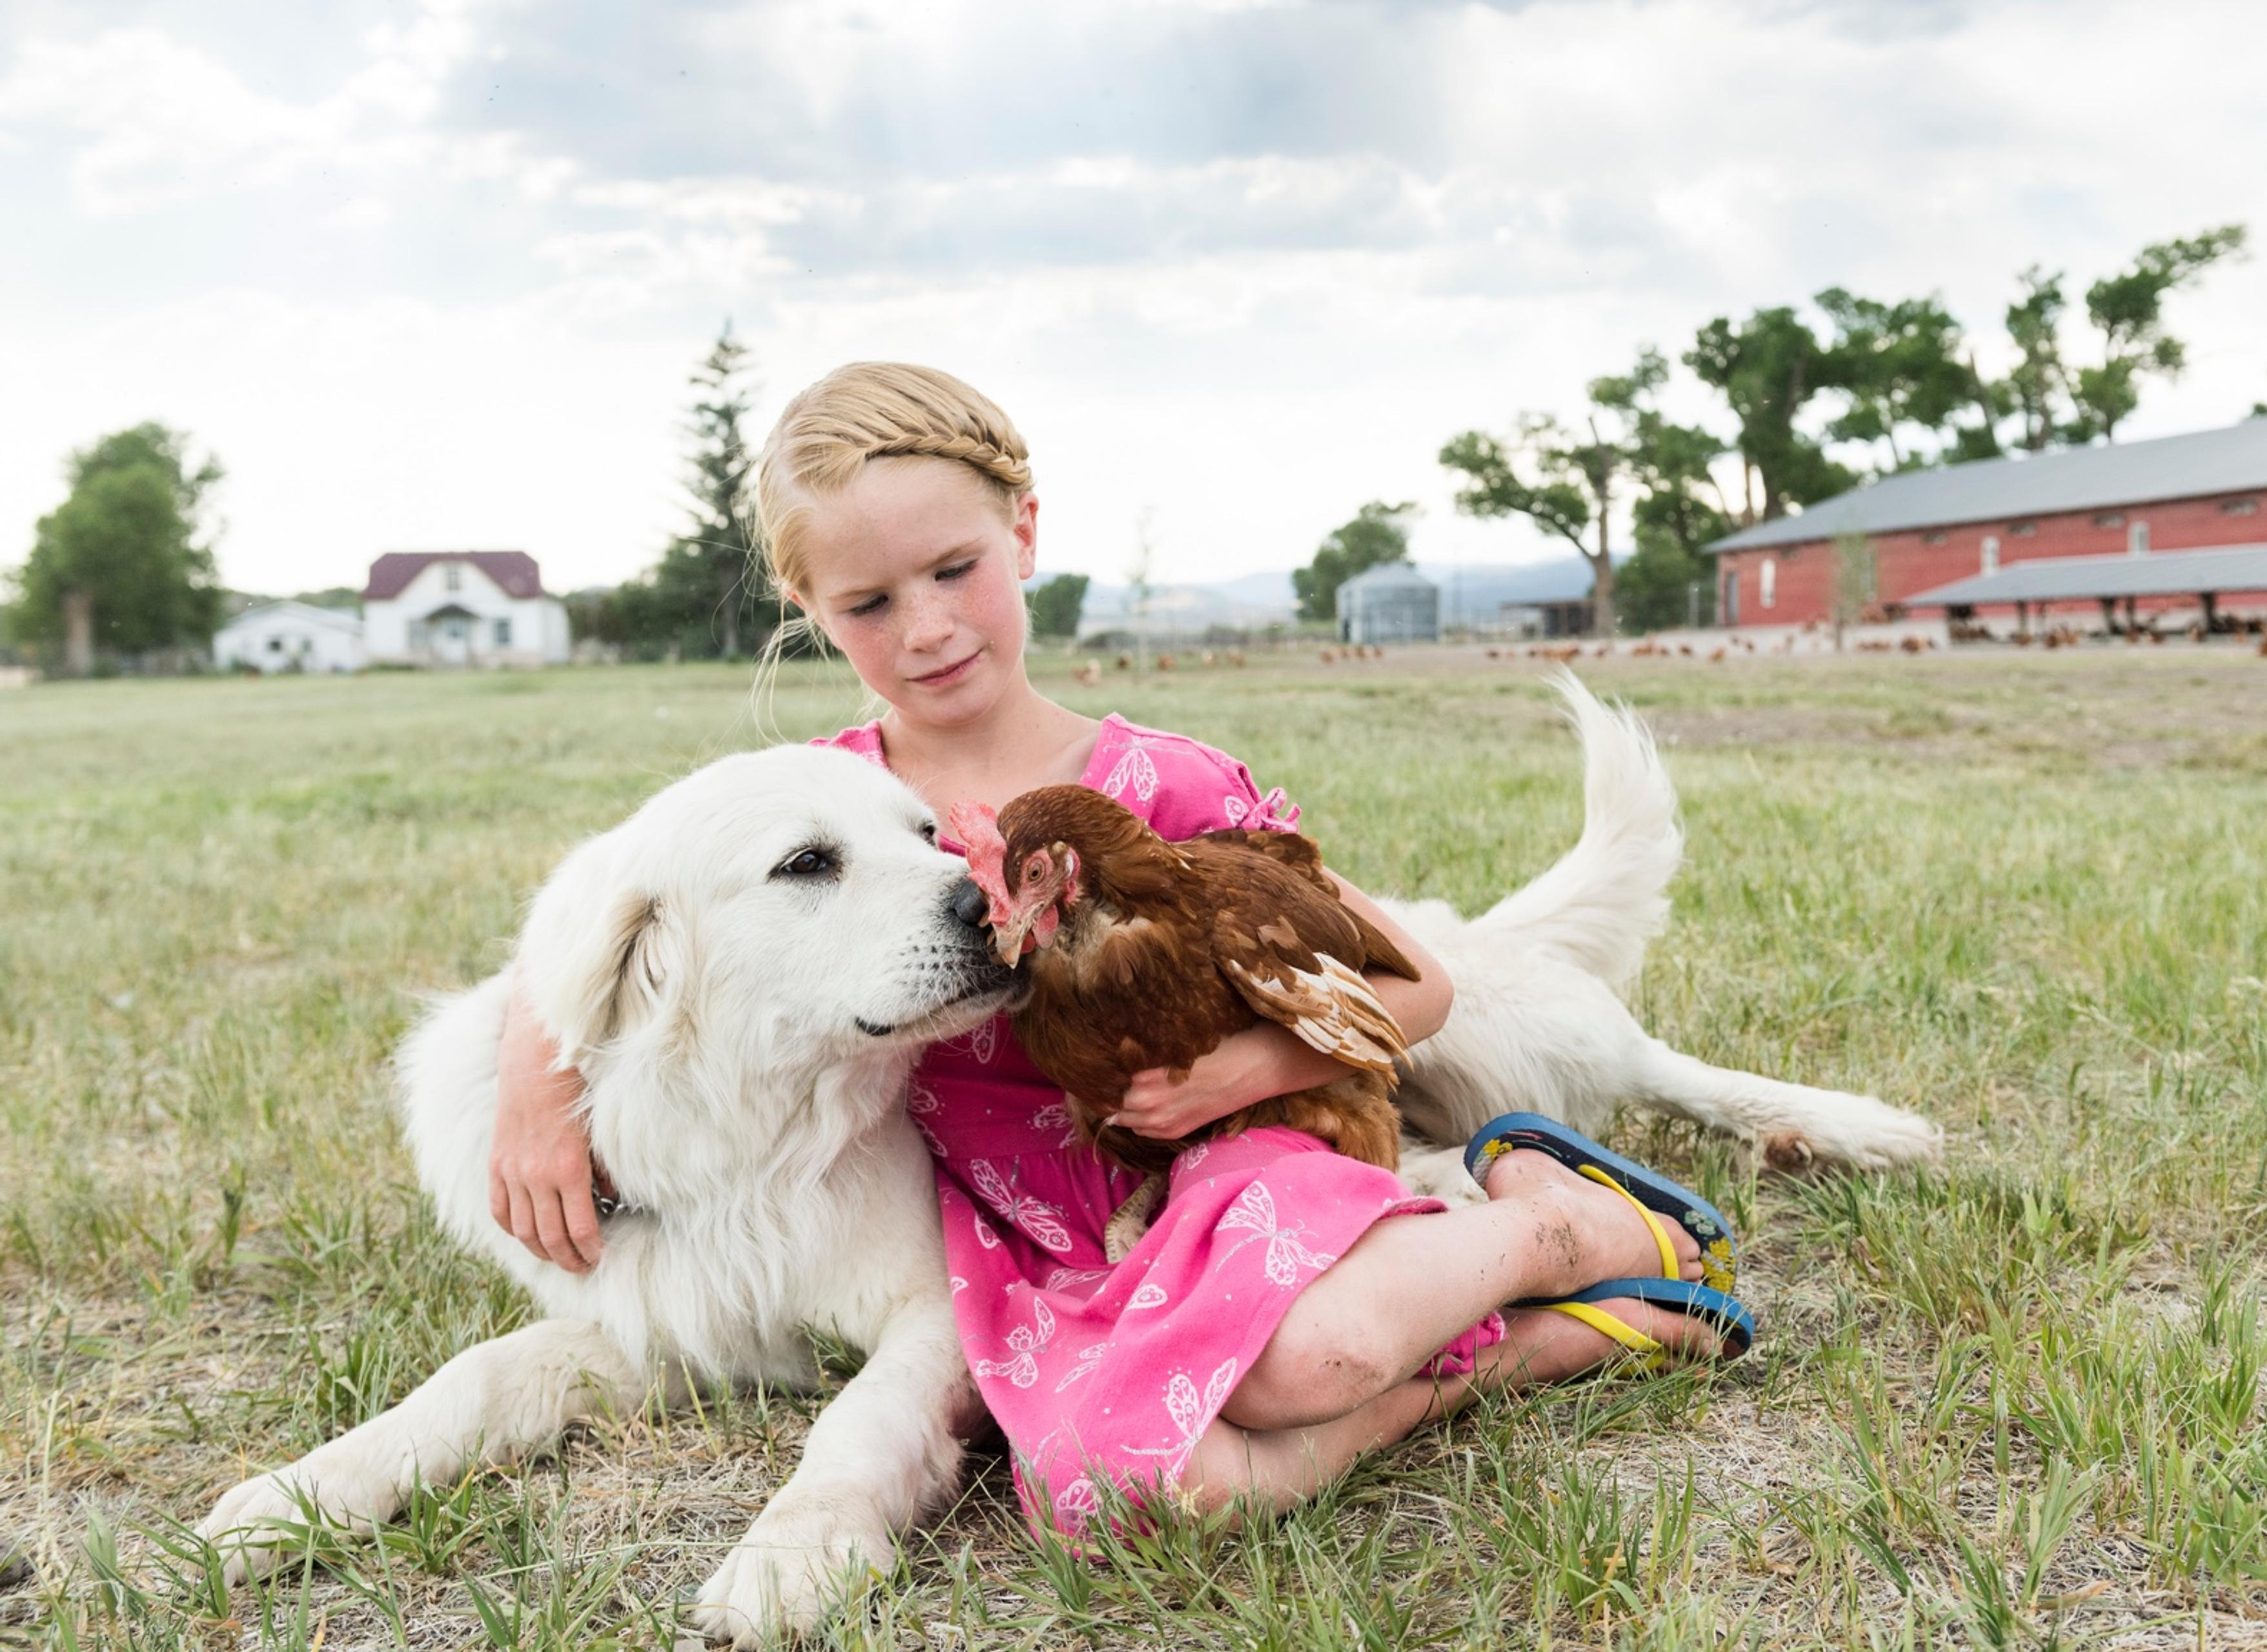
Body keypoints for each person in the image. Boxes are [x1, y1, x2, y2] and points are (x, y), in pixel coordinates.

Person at [489, 361, 1729, 1529]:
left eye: (954, 569)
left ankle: (1559, 1228)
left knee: (1312, 1361)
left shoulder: (1163, 785)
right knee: (1132, 1485)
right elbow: (618, 905)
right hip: (1023, 1235)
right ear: (811, 611)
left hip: (1229, 1167)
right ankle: (1546, 1342)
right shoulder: (822, 811)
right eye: (868, 602)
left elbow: (1419, 985)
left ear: (1025, 534)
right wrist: (534, 1091)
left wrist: (1251, 1074)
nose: (925, 627)